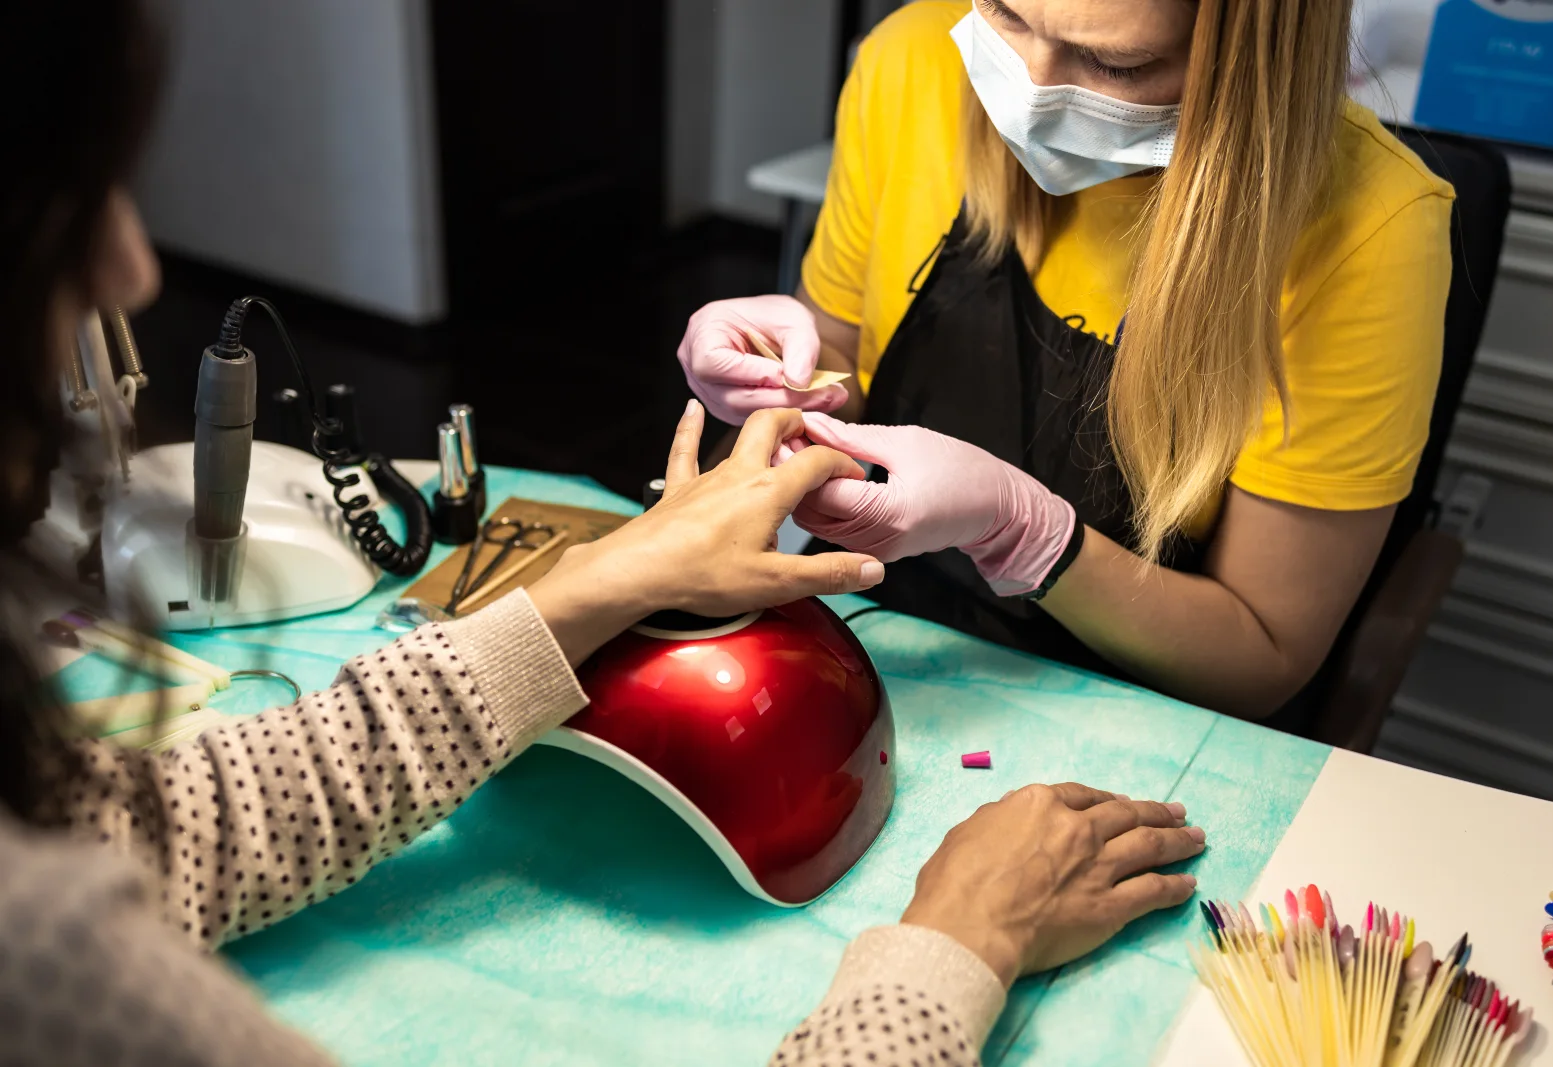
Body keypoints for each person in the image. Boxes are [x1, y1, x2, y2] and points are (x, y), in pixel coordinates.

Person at [0, 4, 1207, 1065]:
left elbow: (163, 826)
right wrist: (956, 948)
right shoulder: (43, 950)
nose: (133, 265)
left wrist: (610, 575)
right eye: (59, 197)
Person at [677, 0, 1454, 725]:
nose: (1029, 93)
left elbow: (1263, 657)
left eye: (1116, 65)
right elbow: (840, 361)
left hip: (1136, 706)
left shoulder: (1370, 225)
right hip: (888, 639)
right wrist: (779, 377)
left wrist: (1028, 534)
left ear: (1251, 52)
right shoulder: (909, 62)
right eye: (1007, 16)